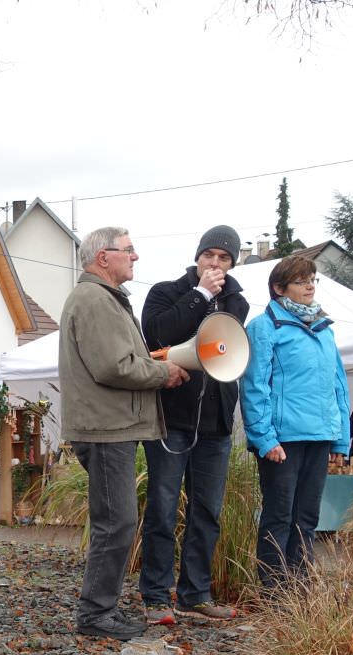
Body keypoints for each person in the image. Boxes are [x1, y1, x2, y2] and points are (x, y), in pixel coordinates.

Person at [59, 227, 189, 639]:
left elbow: (117, 360)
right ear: (103, 257)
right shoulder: (96, 299)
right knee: (116, 523)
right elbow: (113, 367)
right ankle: (96, 615)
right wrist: (162, 372)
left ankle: (100, 611)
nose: (136, 257)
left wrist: (151, 362)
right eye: (129, 250)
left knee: (115, 521)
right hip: (105, 428)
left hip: (108, 425)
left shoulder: (100, 298)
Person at [138, 225, 250, 625]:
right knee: (164, 508)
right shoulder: (166, 292)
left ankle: (195, 593)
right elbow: (157, 334)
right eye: (210, 256)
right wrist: (200, 294)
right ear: (198, 256)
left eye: (224, 258)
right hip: (174, 417)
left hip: (215, 421)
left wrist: (217, 300)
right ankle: (155, 595)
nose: (216, 264)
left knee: (207, 511)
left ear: (233, 263)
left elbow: (224, 349)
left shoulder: (237, 302)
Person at [241, 256, 350, 587]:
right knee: (279, 515)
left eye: (313, 279)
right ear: (278, 288)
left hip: (319, 435)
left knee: (307, 516)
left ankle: (300, 582)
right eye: (302, 280)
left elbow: (338, 385)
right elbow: (254, 385)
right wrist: (264, 438)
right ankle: (274, 588)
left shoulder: (323, 328)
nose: (310, 286)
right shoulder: (264, 327)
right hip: (282, 439)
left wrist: (340, 439)